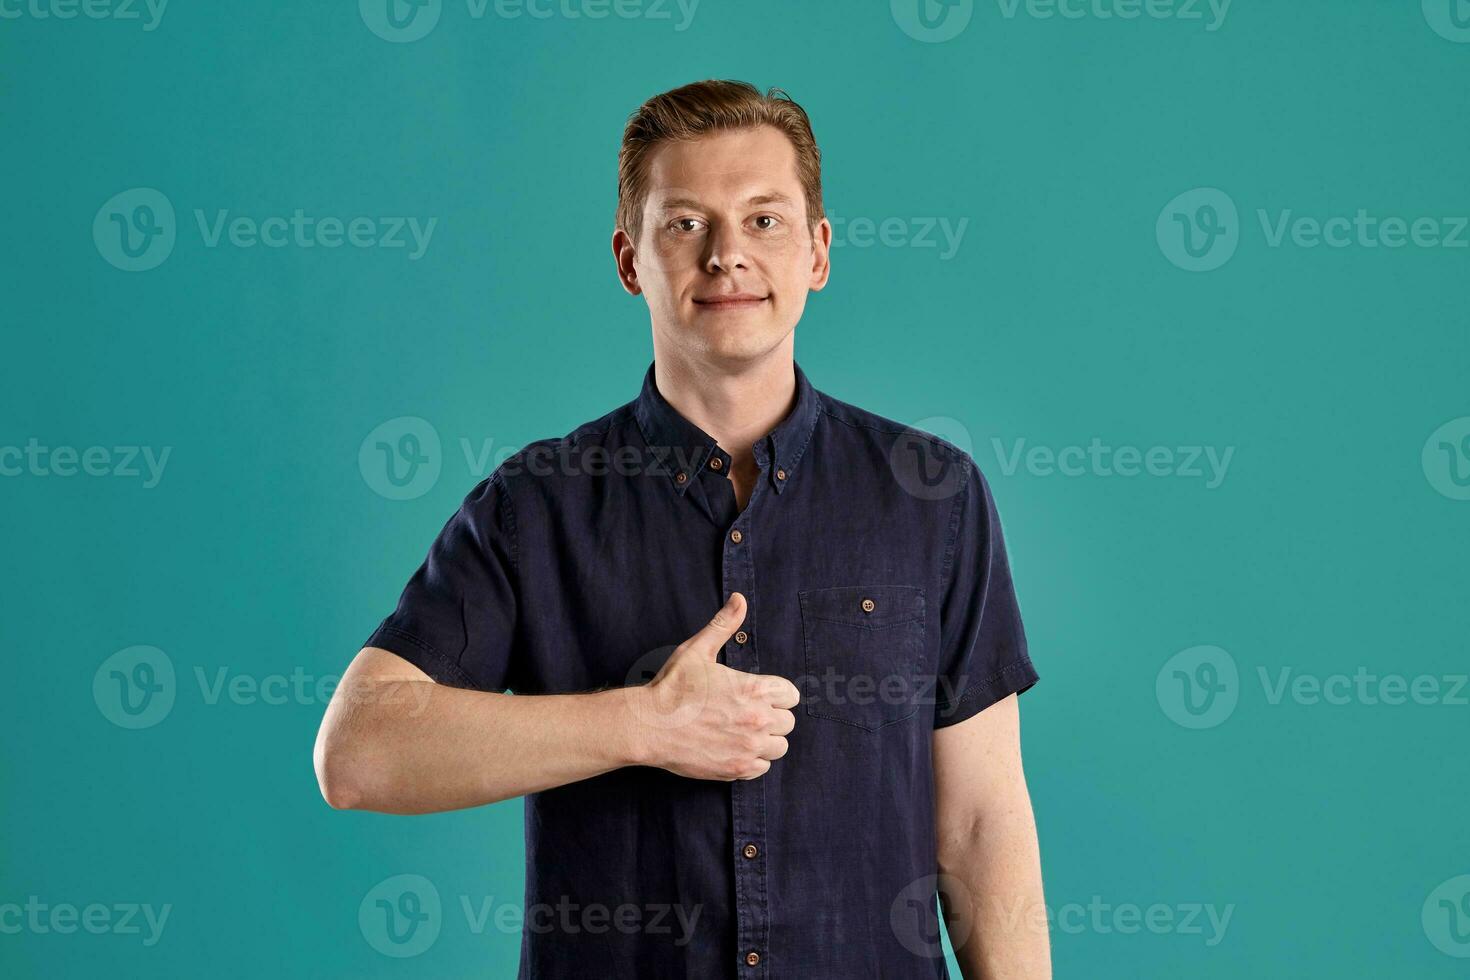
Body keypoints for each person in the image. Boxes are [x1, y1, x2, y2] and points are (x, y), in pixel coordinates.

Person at [314, 78, 1049, 979]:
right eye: (686, 224)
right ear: (631, 260)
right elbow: (357, 753)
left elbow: (979, 827)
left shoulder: (932, 496)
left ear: (819, 252)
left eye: (765, 220)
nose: (728, 256)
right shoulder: (532, 507)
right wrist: (643, 725)